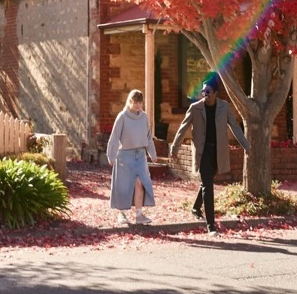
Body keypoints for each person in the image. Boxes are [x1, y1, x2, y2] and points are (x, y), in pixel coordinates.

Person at [169, 73, 250, 235]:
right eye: (203, 92)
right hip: (203, 152)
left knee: (207, 181)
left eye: (207, 92)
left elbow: (234, 127)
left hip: (217, 152)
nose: (204, 94)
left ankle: (195, 207)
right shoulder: (195, 108)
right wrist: (174, 148)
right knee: (208, 186)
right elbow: (182, 129)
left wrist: (247, 146)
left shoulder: (224, 107)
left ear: (215, 93)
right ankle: (211, 226)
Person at [106, 88, 157, 225]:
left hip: (140, 154)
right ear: (129, 102)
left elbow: (148, 137)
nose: (138, 105)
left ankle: (139, 215)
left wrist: (152, 153)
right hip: (125, 155)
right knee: (123, 185)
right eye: (135, 102)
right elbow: (115, 137)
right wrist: (111, 155)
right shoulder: (122, 117)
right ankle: (121, 214)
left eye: (140, 103)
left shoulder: (144, 117)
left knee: (140, 182)